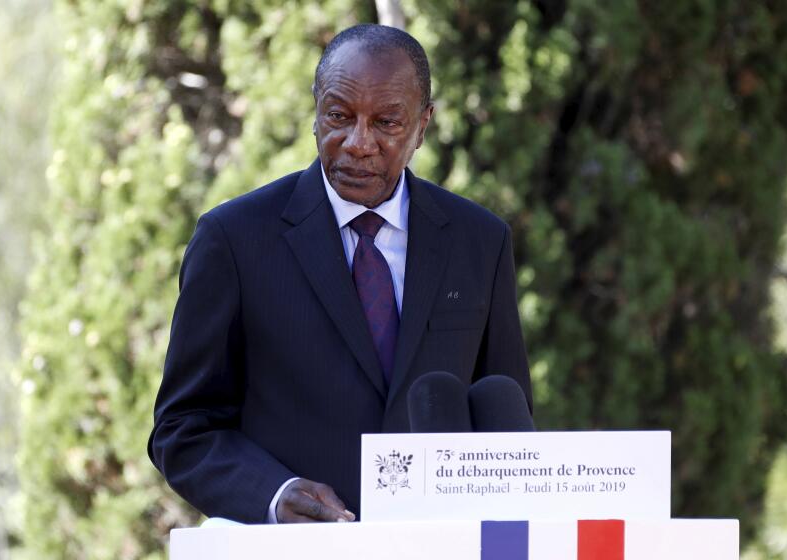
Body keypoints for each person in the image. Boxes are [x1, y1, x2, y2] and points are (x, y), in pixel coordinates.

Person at [148, 23, 531, 525]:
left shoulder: (480, 241)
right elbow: (184, 427)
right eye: (338, 116)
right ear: (315, 112)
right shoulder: (234, 240)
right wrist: (273, 494)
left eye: (387, 123)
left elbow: (508, 413)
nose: (357, 142)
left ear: (423, 125)